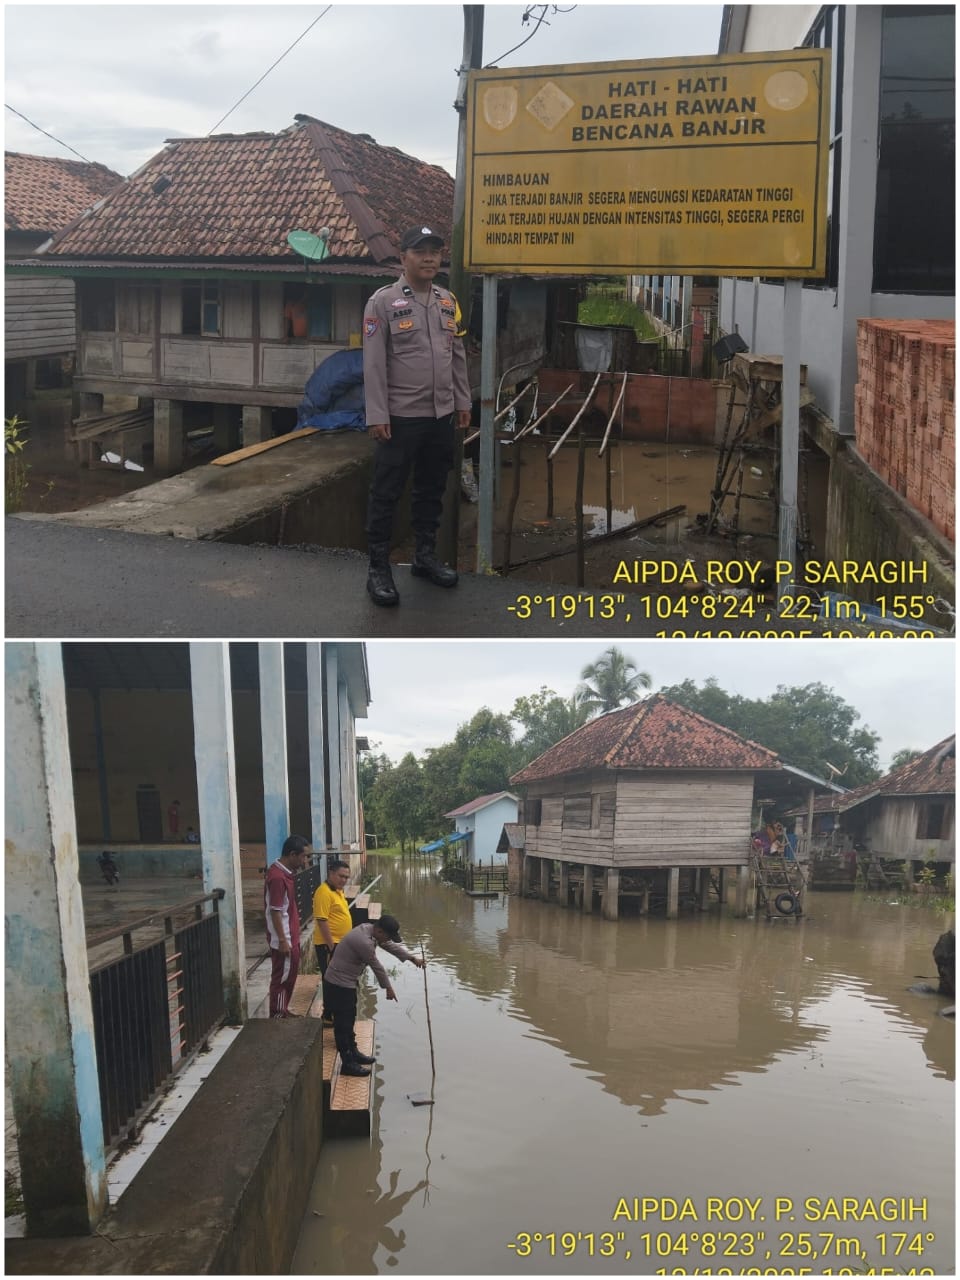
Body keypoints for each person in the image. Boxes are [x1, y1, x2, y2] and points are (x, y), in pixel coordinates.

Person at [362, 225, 472, 607]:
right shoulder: (382, 302)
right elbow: (373, 364)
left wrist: (463, 402)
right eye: (420, 251)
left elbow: (455, 355)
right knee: (386, 491)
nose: (429, 258)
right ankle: (378, 568)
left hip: (441, 413)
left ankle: (424, 557)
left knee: (431, 487)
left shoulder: (446, 301)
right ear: (403, 257)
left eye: (435, 252)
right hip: (401, 415)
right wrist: (377, 414)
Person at [322, 915, 424, 1076]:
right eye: (388, 936)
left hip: (345, 982)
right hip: (338, 984)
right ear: (379, 930)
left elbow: (389, 945)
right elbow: (377, 967)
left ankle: (353, 1053)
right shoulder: (364, 941)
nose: (388, 940)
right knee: (342, 1025)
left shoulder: (370, 930)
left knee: (349, 1019)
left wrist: (412, 958)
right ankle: (347, 1064)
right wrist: (388, 988)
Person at [264, 834, 310, 1019]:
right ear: (292, 855)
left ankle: (283, 1009)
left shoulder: (283, 873)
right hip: (285, 939)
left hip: (291, 935)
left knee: (289, 976)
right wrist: (283, 940)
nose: (305, 861)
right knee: (282, 978)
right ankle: (277, 1014)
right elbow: (275, 911)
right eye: (304, 856)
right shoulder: (277, 877)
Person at [313, 858, 353, 978]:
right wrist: (332, 948)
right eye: (341, 876)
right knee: (331, 979)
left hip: (340, 944)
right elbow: (322, 921)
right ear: (331, 873)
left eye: (346, 877)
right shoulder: (323, 892)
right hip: (329, 945)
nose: (344, 880)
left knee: (340, 979)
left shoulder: (337, 891)